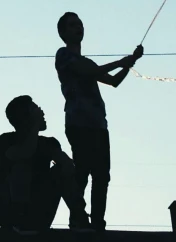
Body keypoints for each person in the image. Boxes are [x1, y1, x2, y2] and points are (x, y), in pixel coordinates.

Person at [55, 12, 143, 233]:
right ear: (63, 32)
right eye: (73, 25)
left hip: (98, 125)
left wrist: (130, 63)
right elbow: (91, 72)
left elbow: (113, 81)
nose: (79, 27)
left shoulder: (88, 62)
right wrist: (124, 61)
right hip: (78, 122)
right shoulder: (63, 55)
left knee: (102, 175)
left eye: (80, 24)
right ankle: (78, 220)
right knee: (83, 172)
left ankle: (97, 224)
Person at [0, 95, 81, 235]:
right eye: (35, 109)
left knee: (60, 170)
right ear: (25, 116)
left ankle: (78, 216)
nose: (42, 112)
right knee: (22, 167)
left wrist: (63, 163)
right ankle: (20, 219)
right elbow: (23, 153)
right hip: (8, 211)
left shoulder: (49, 143)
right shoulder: (6, 140)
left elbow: (68, 166)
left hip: (39, 209)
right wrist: (35, 126)